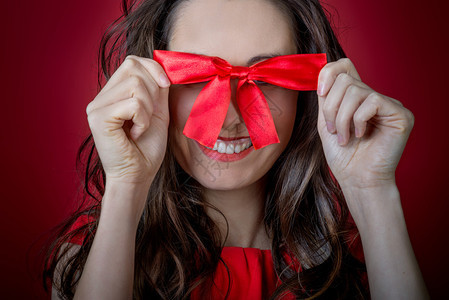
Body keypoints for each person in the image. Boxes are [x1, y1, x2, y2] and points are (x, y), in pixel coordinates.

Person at [43, 0, 429, 299]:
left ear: (307, 94)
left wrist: (373, 192)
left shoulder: (364, 257)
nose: (229, 117)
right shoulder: (86, 257)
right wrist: (127, 184)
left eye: (265, 77)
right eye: (199, 77)